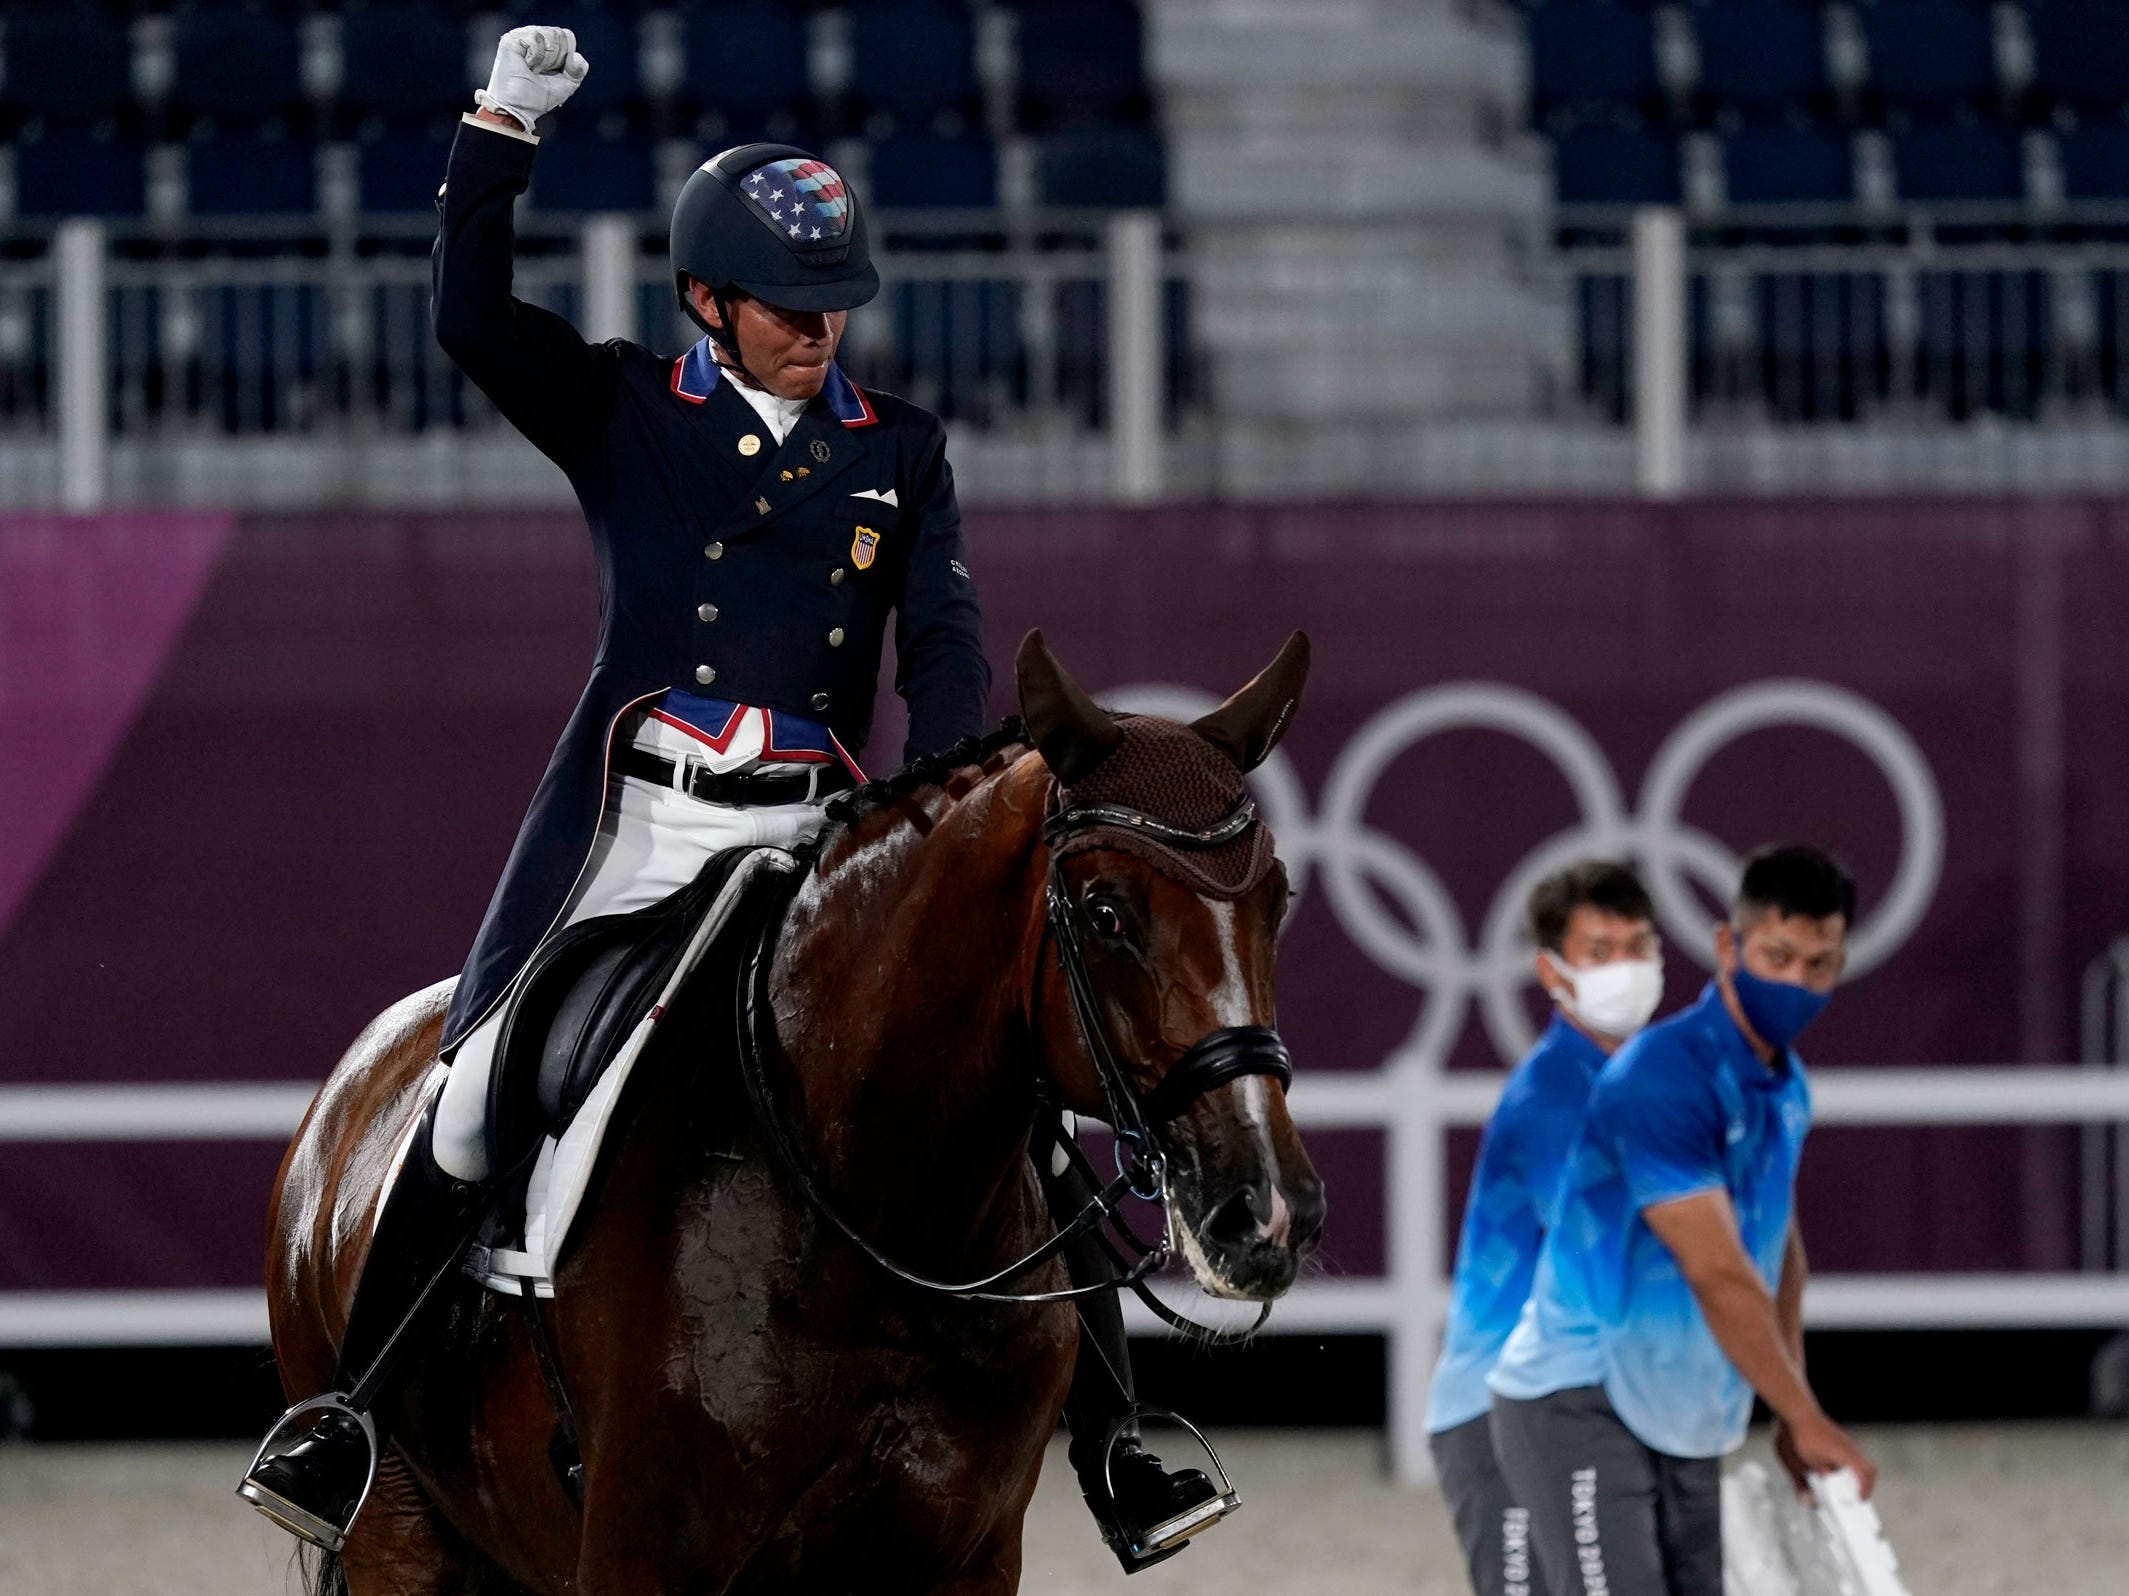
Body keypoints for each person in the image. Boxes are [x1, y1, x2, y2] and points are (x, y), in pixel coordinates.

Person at [239, 27, 1219, 1570]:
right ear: (707, 301)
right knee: (485, 1087)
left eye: (838, 310)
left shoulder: (898, 453)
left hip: (815, 836)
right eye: (790, 308)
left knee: (1013, 1125)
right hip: (639, 829)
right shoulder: (628, 412)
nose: (820, 334)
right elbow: (470, 314)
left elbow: (945, 635)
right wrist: (499, 132)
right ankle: (353, 1411)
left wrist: (943, 792)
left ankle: (1116, 1442)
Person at [1487, 844, 1876, 1596]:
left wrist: (1791, 1403)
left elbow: (1775, 1251)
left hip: (1681, 1403)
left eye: (1819, 965)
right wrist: (1803, 1417)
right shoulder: (1660, 1078)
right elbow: (1718, 1272)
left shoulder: (1785, 1085)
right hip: (1577, 1395)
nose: (1796, 981)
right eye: (1778, 955)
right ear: (1727, 945)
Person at [1427, 861, 1665, 1596]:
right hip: (1504, 1410)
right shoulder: (1552, 1100)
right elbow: (1615, 1255)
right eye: (1600, 951)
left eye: (1638, 945)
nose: (1625, 967)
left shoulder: (1637, 1084)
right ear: (1550, 971)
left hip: (1592, 1396)